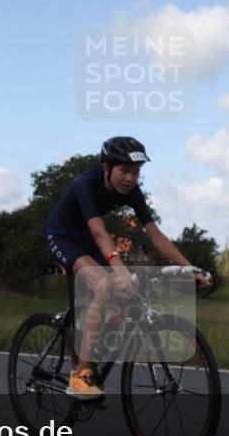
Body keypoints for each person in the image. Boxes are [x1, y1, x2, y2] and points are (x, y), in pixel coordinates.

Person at [45, 136, 212, 400]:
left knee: (125, 292)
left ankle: (96, 340)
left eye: (135, 172)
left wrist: (190, 268)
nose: (130, 178)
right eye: (124, 171)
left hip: (88, 240)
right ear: (106, 168)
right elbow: (100, 233)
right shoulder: (85, 184)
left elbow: (156, 236)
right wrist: (119, 269)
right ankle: (81, 374)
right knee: (106, 284)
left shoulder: (132, 192)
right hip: (63, 237)